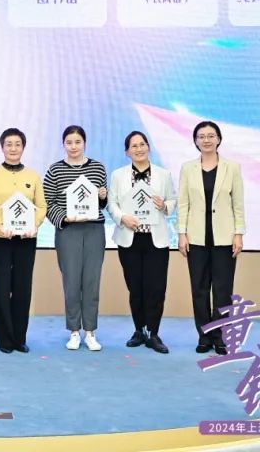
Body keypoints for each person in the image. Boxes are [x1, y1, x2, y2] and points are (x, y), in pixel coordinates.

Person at [177, 120, 245, 355]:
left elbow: (238, 204)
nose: (206, 140)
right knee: (199, 289)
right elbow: (183, 204)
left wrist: (238, 234)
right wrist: (182, 234)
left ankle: (220, 336)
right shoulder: (188, 168)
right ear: (196, 141)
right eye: (201, 136)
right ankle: (204, 336)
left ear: (218, 139)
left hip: (224, 239)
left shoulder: (232, 167)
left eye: (210, 135)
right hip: (196, 238)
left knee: (223, 291)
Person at [0, 128, 47, 353]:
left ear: (23, 147)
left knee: (22, 288)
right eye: (9, 144)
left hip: (26, 239)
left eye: (18, 144)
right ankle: (4, 340)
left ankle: (19, 339)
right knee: (0, 288)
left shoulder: (33, 176)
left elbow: (42, 206)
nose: (13, 148)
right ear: (2, 147)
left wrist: (34, 225)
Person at [109, 131, 176, 354]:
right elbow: (112, 203)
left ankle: (153, 333)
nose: (139, 149)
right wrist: (122, 218)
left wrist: (164, 206)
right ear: (127, 152)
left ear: (149, 147)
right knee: (135, 287)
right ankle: (139, 330)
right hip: (129, 239)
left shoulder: (163, 174)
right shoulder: (118, 175)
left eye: (142, 144)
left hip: (156, 240)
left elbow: (172, 199)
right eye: (134, 146)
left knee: (156, 288)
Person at [43, 125, 109, 352]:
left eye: (78, 142)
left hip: (94, 230)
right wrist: (64, 217)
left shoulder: (98, 168)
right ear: (63, 144)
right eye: (69, 142)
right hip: (68, 231)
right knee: (71, 282)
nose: (73, 146)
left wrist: (103, 196)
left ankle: (90, 331)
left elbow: (102, 203)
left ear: (84, 143)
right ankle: (73, 331)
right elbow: (47, 202)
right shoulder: (55, 170)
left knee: (91, 282)